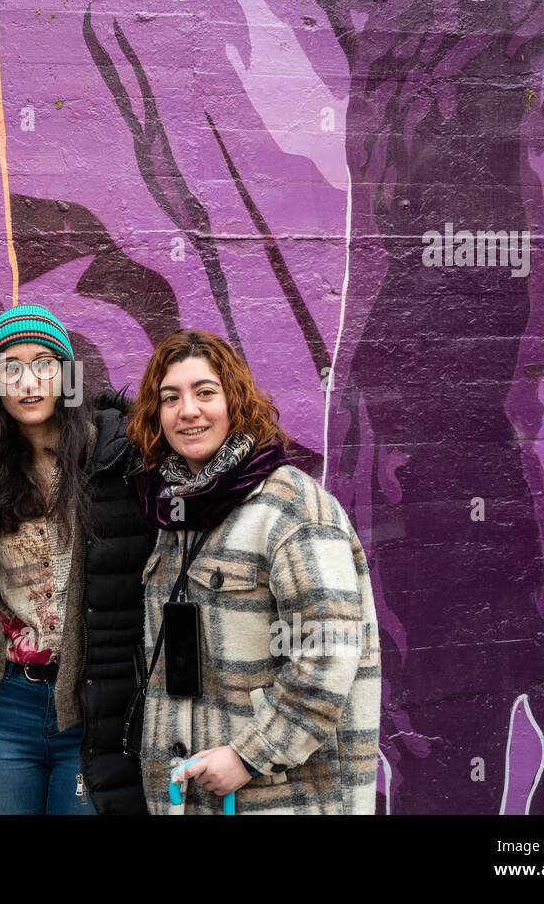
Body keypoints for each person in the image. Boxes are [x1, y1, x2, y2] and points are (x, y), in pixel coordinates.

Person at [128, 329, 380, 814]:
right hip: (188, 795)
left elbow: (329, 654)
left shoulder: (290, 509)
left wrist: (250, 755)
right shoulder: (174, 514)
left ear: (235, 401)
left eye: (205, 392)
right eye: (171, 398)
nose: (189, 410)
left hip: (282, 796)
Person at [0, 305, 150, 814]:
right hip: (5, 709)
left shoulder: (116, 457)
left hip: (90, 710)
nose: (30, 380)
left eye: (46, 363)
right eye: (11, 367)